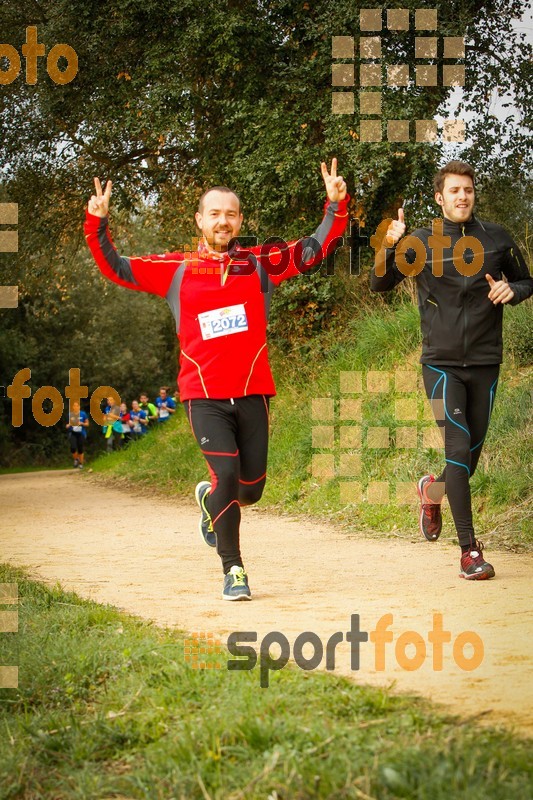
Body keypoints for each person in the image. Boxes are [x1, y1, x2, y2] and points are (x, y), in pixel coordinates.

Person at [85, 159, 349, 599]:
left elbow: (312, 250)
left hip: (253, 392)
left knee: (251, 489)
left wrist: (335, 206)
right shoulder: (177, 269)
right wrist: (98, 222)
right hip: (203, 396)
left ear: (240, 220)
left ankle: (211, 501)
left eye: (230, 214)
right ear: (200, 221)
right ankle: (234, 570)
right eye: (214, 213)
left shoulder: (260, 263)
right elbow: (116, 266)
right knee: (226, 475)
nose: (222, 221)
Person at [371, 160, 533, 580]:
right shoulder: (420, 242)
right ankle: (469, 551)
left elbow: (528, 281)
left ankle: (432, 490)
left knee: (469, 460)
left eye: (469, 190)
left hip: (485, 362)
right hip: (441, 365)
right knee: (458, 450)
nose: (463, 196)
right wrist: (387, 246)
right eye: (455, 191)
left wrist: (512, 290)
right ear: (440, 198)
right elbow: (379, 284)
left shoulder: (496, 238)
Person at [66, 401, 89, 468]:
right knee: (73, 448)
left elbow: (87, 424)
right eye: (74, 406)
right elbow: (67, 425)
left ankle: (81, 464)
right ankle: (76, 459)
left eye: (77, 406)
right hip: (73, 433)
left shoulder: (83, 414)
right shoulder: (70, 415)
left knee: (80, 448)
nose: (76, 407)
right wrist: (69, 425)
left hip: (81, 433)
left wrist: (82, 423)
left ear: (79, 407)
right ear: (73, 407)